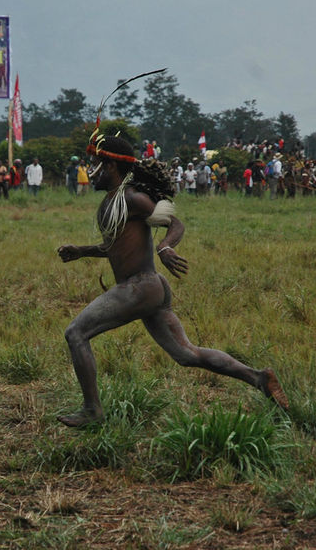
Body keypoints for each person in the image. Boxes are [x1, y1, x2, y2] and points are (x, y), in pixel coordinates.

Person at [56, 135, 288, 427]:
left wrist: (165, 247)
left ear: (111, 165)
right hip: (150, 288)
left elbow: (175, 223)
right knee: (186, 354)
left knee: (76, 333)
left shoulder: (131, 198)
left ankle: (93, 411)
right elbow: (114, 248)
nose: (91, 171)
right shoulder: (113, 202)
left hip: (140, 286)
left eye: (95, 164)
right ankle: (258, 378)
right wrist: (81, 252)